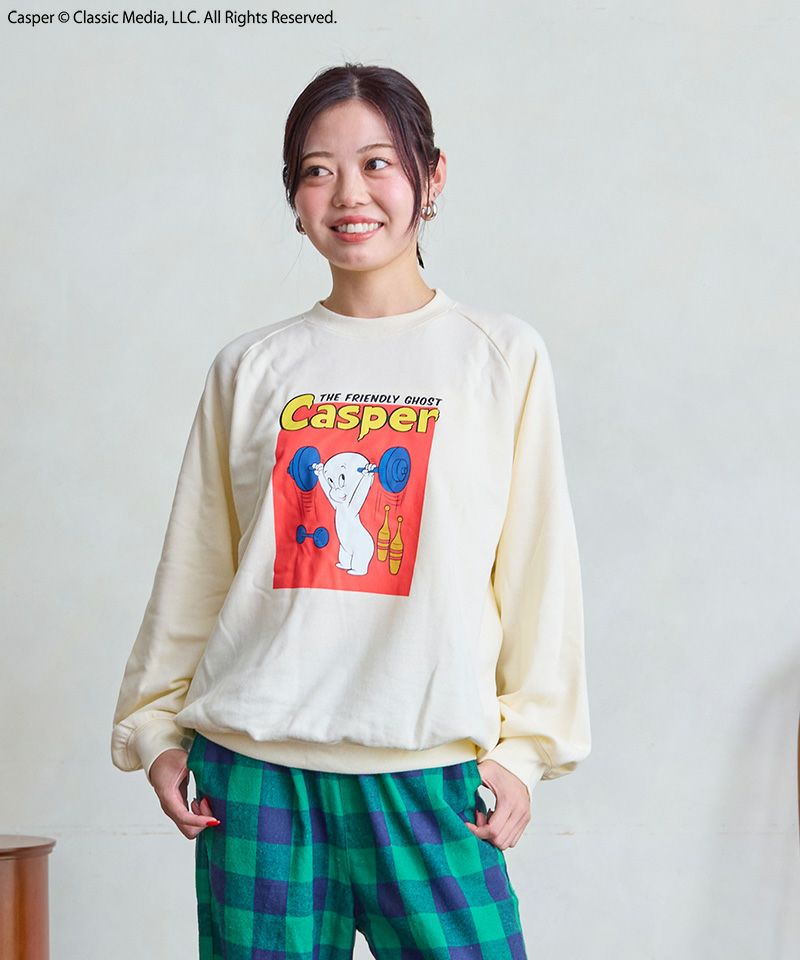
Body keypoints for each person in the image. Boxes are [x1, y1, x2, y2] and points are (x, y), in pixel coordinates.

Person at [111, 62, 591, 959]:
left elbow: (538, 568)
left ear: (431, 176)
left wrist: (524, 750)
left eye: (378, 163)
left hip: (430, 779)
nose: (349, 194)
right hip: (256, 781)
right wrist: (156, 732)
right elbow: (198, 566)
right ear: (293, 195)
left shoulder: (499, 357)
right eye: (317, 170)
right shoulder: (252, 368)